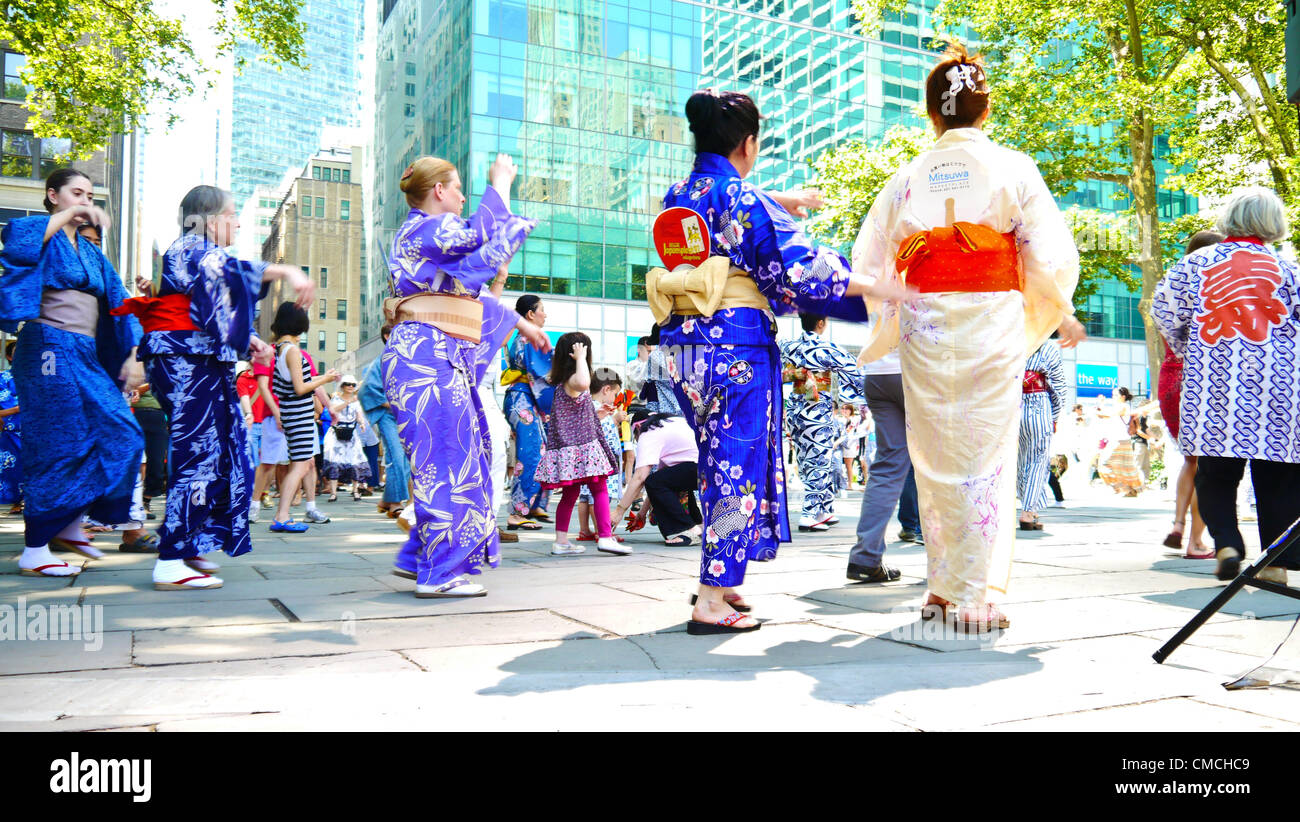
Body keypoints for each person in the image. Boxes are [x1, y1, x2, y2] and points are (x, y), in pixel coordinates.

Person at [651, 89, 913, 634]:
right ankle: (709, 596)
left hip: (683, 346)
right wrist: (878, 286)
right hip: (735, 346)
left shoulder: (679, 193)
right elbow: (800, 272)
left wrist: (773, 199)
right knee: (734, 465)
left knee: (717, 460)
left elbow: (720, 206)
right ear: (748, 144)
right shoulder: (748, 201)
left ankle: (723, 581)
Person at [853, 45, 1084, 631]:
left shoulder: (906, 178)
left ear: (932, 114)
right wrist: (1054, 308)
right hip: (991, 324)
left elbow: (873, 259)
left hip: (928, 325)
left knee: (931, 457)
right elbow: (1049, 254)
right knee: (987, 455)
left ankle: (940, 589)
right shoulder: (1013, 167)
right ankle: (978, 596)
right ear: (984, 111)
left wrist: (894, 312)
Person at [120, 185, 315, 588]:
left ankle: (188, 544)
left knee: (220, 453)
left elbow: (213, 309)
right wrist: (284, 270)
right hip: (188, 363)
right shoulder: (192, 248)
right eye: (232, 215)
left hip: (200, 360)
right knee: (199, 453)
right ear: (210, 219)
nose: (238, 222)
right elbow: (225, 273)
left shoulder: (194, 252)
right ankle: (172, 558)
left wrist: (251, 341)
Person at [384, 152, 547, 597]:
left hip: (430, 355)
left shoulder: (425, 240)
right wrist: (501, 185)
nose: (461, 196)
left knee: (457, 456)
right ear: (438, 190)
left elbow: (467, 290)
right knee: (448, 462)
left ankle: (419, 554)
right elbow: (481, 234)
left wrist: (524, 324)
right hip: (426, 359)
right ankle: (438, 573)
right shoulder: (430, 228)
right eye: (457, 188)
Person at [0, 168, 145, 577]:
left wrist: (132, 356)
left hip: (84, 353)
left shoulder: (93, 253)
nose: (85, 201)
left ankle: (69, 520)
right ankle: (36, 548)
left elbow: (120, 305)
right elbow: (18, 246)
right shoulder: (32, 231)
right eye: (76, 193)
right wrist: (70, 216)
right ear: (53, 195)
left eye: (89, 195)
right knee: (56, 442)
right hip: (47, 346)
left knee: (122, 433)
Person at [1152, 186, 1300, 585]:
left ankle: (1228, 544)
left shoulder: (1194, 264)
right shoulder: (1287, 267)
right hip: (1278, 386)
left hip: (1215, 383)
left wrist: (1188, 350)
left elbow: (1164, 309)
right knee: (1279, 477)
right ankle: (1275, 564)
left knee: (1215, 471)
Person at [1157, 233, 1223, 558]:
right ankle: (1196, 543)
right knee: (1208, 464)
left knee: (1190, 460)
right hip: (1202, 379)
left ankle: (1178, 523)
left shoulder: (1170, 289)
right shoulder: (1215, 290)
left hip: (1170, 377)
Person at [534, 333, 624, 556]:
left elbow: (573, 414)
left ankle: (561, 541)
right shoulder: (575, 380)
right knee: (600, 488)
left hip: (572, 448)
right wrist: (581, 358)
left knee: (571, 494)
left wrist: (597, 413)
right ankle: (605, 536)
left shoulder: (564, 383)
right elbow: (585, 382)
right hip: (581, 447)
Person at [780, 312, 865, 531]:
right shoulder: (827, 348)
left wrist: (796, 373)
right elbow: (853, 370)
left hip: (795, 410)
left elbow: (775, 369)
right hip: (816, 411)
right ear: (821, 323)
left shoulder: (787, 345)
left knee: (808, 458)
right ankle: (809, 514)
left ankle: (825, 509)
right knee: (819, 460)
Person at [268, 302, 338, 532]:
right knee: (299, 466)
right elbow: (300, 387)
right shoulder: (293, 350)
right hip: (299, 412)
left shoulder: (281, 347)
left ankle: (290, 513)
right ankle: (282, 515)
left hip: (291, 412)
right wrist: (325, 379)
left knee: (303, 464)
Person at [614, 412, 703, 546]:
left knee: (655, 480)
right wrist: (642, 514)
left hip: (698, 468)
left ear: (638, 428)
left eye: (636, 438)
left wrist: (619, 511)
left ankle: (688, 529)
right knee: (664, 481)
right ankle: (697, 524)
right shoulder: (669, 424)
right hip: (708, 468)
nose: (638, 441)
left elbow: (640, 477)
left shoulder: (648, 430)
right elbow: (658, 485)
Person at [503, 294, 553, 529]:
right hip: (522, 398)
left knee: (542, 451)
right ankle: (517, 511)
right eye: (542, 309)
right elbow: (542, 373)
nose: (545, 314)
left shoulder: (529, 338)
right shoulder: (526, 338)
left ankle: (534, 504)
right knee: (531, 453)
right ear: (530, 314)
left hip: (528, 399)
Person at [359, 324, 410, 519]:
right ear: (388, 336)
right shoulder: (381, 359)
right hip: (388, 415)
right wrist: (387, 403)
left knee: (404, 458)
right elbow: (367, 388)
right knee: (396, 455)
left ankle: (386, 501)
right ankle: (396, 502)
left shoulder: (405, 357)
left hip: (405, 415)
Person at [1016, 338, 1066, 531]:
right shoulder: (1047, 347)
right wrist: (1055, 416)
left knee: (1020, 460)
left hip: (1014, 405)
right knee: (1038, 461)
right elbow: (1059, 385)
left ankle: (1031, 508)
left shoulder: (1011, 340)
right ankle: (1028, 512)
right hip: (1039, 404)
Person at [576, 369, 627, 543]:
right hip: (600, 462)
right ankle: (602, 531)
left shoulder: (587, 406)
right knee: (596, 498)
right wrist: (615, 420)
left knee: (584, 497)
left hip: (587, 462)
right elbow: (602, 432)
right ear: (606, 390)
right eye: (615, 393)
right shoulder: (601, 411)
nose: (615, 398)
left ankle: (584, 530)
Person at [322, 376, 371, 501]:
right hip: (336, 432)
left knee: (354, 461)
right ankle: (333, 493)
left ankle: (355, 491)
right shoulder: (335, 399)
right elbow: (333, 411)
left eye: (353, 385)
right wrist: (348, 402)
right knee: (334, 462)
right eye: (348, 384)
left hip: (351, 433)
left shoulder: (357, 402)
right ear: (342, 386)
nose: (350, 387)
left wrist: (361, 423)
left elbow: (358, 415)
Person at [1097, 387, 1143, 496]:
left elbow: (1108, 414)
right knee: (1123, 467)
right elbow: (1103, 415)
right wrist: (1101, 405)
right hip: (1119, 441)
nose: (1113, 397)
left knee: (1105, 464)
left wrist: (1101, 406)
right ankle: (1129, 490)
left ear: (1123, 397)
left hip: (1120, 441)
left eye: (1115, 395)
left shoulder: (1124, 407)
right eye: (1112, 395)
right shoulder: (1119, 407)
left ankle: (1120, 488)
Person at [0, 341, 22, 514]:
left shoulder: (38, 376)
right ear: (9, 357)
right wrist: (18, 407)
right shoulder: (3, 378)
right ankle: (16, 502)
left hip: (38, 430)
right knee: (13, 469)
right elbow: (4, 402)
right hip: (12, 429)